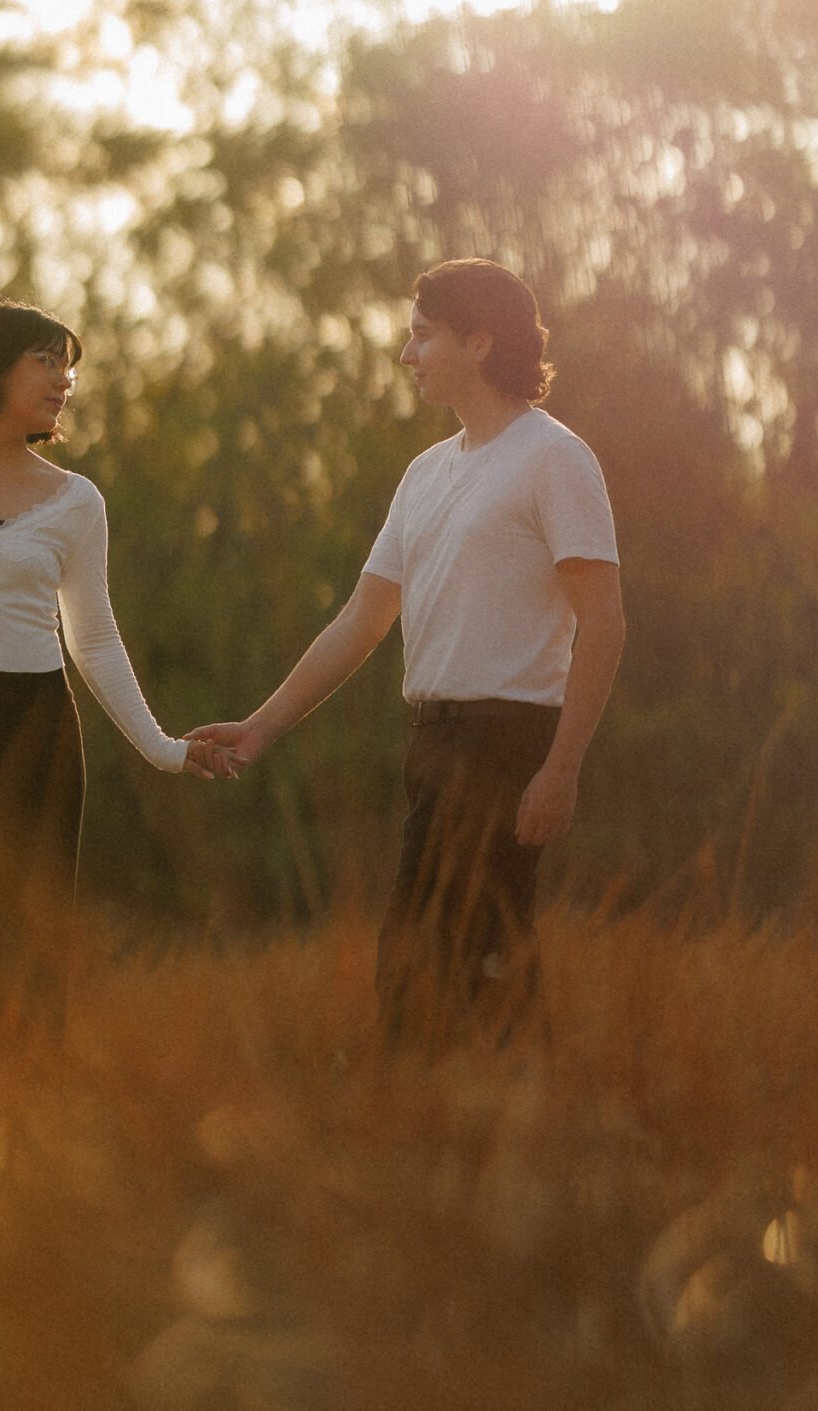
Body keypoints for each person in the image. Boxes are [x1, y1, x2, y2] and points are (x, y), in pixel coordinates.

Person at [190, 259, 624, 1052]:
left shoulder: (553, 457)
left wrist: (560, 768)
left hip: (508, 742)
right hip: (432, 741)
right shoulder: (427, 473)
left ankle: (479, 1134)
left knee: (442, 961)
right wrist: (260, 729)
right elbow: (362, 619)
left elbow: (604, 620)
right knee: (462, 963)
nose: (405, 354)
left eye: (422, 335)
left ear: (481, 342)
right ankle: (502, 1133)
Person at [0, 300, 232, 1041]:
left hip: (35, 735)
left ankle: (28, 1130)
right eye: (47, 361)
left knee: (26, 950)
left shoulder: (76, 501)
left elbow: (92, 639)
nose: (64, 380)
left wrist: (161, 747)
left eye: (69, 367)